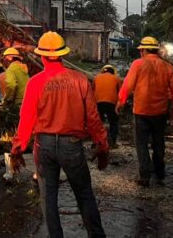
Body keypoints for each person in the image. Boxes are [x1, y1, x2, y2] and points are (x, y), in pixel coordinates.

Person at [10, 31, 109, 238]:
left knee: (49, 199)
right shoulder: (80, 80)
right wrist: (102, 144)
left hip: (43, 146)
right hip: (72, 145)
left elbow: (26, 118)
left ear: (42, 56)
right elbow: (92, 117)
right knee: (84, 195)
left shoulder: (35, 83)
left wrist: (17, 149)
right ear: (62, 55)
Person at [118, 36, 173, 187]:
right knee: (159, 142)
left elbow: (127, 86)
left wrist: (120, 101)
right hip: (160, 112)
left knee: (141, 144)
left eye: (141, 50)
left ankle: (145, 176)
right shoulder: (167, 66)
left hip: (141, 111)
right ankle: (159, 173)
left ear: (144, 50)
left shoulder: (138, 64)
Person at [93, 65, 123, 148]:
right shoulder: (116, 78)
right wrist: (119, 106)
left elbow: (92, 90)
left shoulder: (96, 77)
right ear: (112, 72)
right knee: (114, 122)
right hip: (111, 103)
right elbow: (121, 93)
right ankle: (112, 142)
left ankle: (97, 142)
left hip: (98, 103)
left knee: (98, 123)